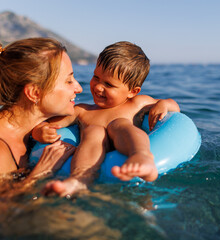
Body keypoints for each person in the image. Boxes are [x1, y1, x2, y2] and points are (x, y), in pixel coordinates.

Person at [33, 41, 180, 197]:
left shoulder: (137, 103)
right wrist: (40, 132)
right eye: (96, 77)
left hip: (126, 146)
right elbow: (46, 124)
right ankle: (79, 180)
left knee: (120, 124)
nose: (98, 87)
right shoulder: (82, 111)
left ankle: (142, 156)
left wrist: (164, 104)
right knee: (94, 131)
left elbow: (175, 108)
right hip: (92, 160)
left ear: (132, 91)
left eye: (108, 84)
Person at [0, 38, 81, 184]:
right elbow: (7, 206)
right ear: (35, 93)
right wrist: (41, 172)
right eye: (69, 81)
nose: (79, 88)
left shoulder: (35, 131)